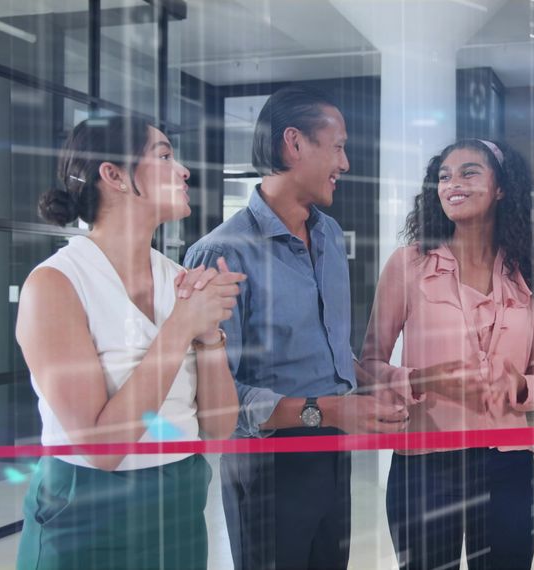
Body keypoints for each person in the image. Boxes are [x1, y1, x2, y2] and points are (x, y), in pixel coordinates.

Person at [184, 85, 409, 570]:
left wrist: (378, 381)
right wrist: (324, 411)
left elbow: (329, 351)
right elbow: (222, 402)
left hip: (332, 452)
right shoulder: (222, 253)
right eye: (338, 146)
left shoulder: (328, 234)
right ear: (295, 143)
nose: (345, 163)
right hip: (268, 464)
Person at [15, 115, 243, 569]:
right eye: (163, 156)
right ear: (114, 175)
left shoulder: (178, 280)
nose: (183, 171)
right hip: (85, 518)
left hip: (178, 508)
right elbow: (102, 449)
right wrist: (180, 327)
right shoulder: (55, 285)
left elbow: (219, 428)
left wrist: (209, 333)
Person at [359, 139, 534, 569]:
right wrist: (419, 381)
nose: (453, 184)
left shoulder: (532, 275)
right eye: (444, 176)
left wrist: (521, 386)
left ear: (502, 188)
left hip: (507, 463)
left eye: (469, 173)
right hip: (425, 463)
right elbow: (368, 364)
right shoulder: (408, 265)